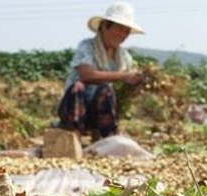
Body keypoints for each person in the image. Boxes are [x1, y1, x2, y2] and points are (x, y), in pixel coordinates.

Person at [55, 2, 144, 142]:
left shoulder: (124, 57)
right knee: (78, 87)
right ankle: (74, 137)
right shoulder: (87, 47)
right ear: (104, 26)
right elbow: (86, 75)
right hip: (75, 109)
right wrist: (123, 76)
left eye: (126, 31)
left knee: (106, 90)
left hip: (101, 112)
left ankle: (107, 138)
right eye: (120, 29)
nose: (123, 35)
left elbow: (129, 80)